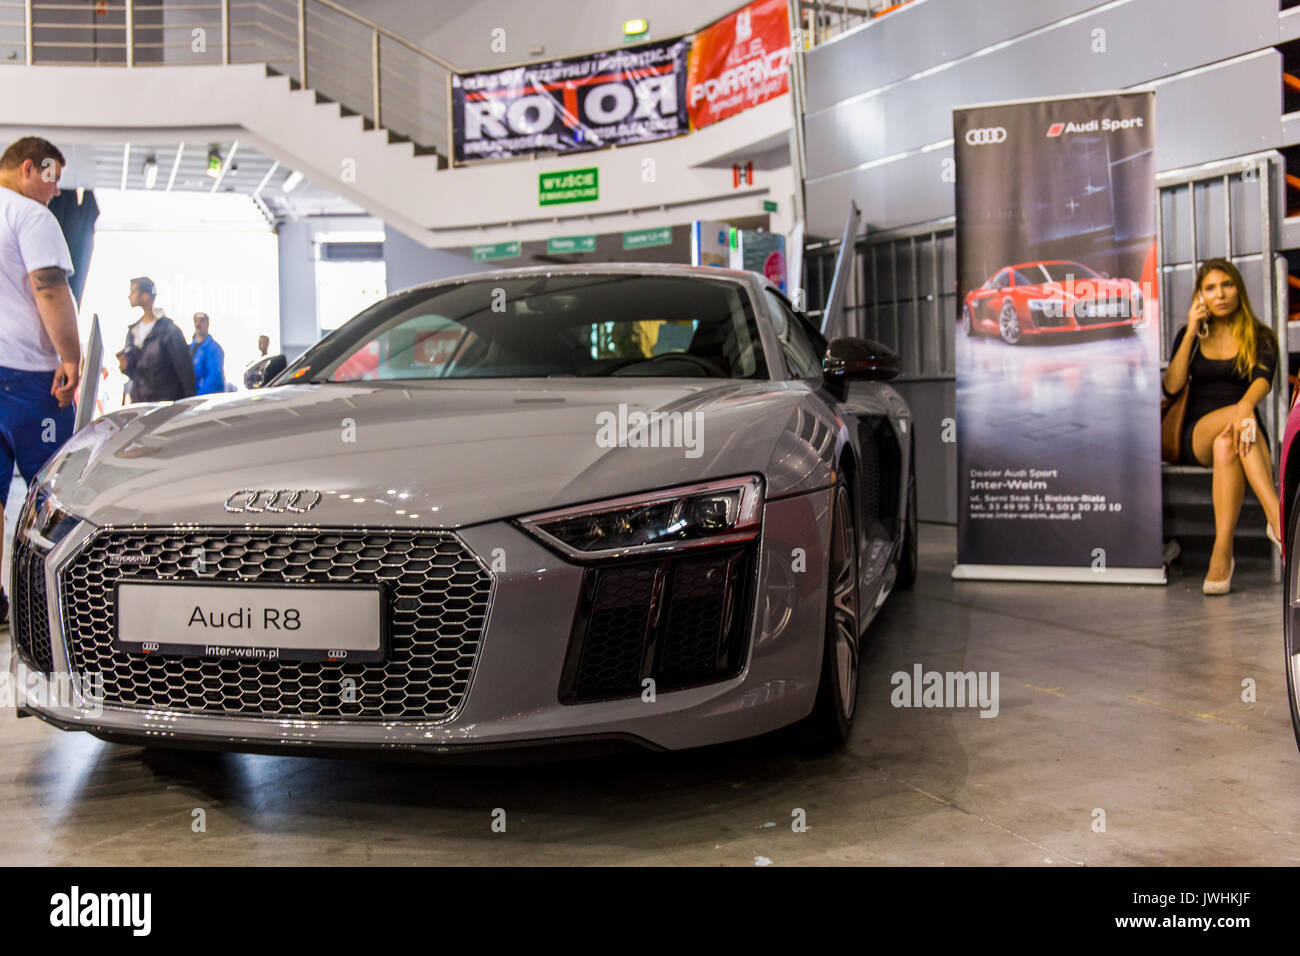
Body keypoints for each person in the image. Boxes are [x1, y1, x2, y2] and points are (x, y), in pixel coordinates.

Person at [1162, 257, 1280, 595]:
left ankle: (1222, 553)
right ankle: (1277, 517)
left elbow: (1263, 381)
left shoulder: (1260, 336)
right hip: (1196, 431)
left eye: (1227, 285)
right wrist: (1189, 331)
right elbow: (1171, 386)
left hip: (1242, 433)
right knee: (1231, 426)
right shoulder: (1191, 335)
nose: (1220, 294)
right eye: (1210, 287)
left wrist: (1244, 406)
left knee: (1227, 443)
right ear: (1200, 295)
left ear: (1238, 290)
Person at [0, 136, 81, 628]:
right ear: (30, 168)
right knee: (51, 496)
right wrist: (70, 358)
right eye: (52, 178)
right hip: (29, 381)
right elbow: (48, 286)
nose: (56, 191)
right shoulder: (30, 216)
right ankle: (48, 608)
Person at [116, 276, 196, 403]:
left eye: (133, 292)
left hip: (165, 405)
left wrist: (189, 405)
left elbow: (185, 371)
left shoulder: (169, 331)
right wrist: (125, 366)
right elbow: (136, 374)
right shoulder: (133, 332)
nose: (129, 296)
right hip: (140, 403)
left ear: (145, 296)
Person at [189, 311, 226, 395]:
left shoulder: (214, 348)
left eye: (202, 320)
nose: (198, 324)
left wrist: (198, 396)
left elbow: (215, 377)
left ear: (207, 323)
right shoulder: (191, 348)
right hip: (191, 397)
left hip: (206, 399)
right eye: (196, 321)